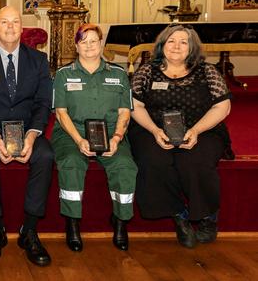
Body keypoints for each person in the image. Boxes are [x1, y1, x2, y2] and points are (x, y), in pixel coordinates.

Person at [128, 24, 231, 248]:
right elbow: (135, 106)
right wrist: (155, 131)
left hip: (202, 129)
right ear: (162, 44)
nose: (176, 46)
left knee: (194, 160)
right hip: (151, 128)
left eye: (183, 42)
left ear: (191, 47)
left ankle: (207, 217)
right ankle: (179, 215)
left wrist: (195, 131)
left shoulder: (207, 71)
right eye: (171, 41)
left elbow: (222, 107)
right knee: (153, 160)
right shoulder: (147, 71)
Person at [0, 6, 54, 266]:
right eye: (4, 22)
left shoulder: (38, 60)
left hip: (27, 128)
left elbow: (42, 103)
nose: (10, 27)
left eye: (15, 22)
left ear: (22, 27)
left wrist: (31, 136)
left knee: (46, 155)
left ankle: (29, 229)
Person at [51, 23, 136, 252]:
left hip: (111, 133)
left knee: (125, 166)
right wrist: (79, 140)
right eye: (83, 41)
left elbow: (124, 112)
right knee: (71, 163)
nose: (89, 46)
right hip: (71, 133)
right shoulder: (63, 75)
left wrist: (117, 138)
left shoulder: (118, 75)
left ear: (101, 44)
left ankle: (120, 222)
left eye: (93, 41)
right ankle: (72, 224)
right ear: (76, 46)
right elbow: (61, 113)